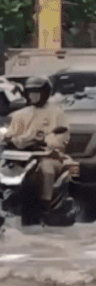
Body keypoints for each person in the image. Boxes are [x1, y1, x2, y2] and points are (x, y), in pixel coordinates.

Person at [3, 76, 70, 210]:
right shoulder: (19, 115)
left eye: (36, 93)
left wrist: (44, 141)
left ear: (45, 93)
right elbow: (10, 136)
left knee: (47, 170)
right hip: (21, 157)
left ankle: (45, 203)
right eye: (30, 93)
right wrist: (16, 141)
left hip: (47, 155)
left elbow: (61, 138)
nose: (32, 96)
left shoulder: (57, 114)